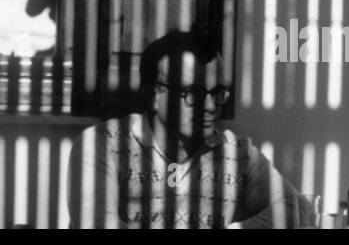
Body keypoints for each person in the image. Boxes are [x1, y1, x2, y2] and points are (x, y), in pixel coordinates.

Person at [67, 29, 310, 228]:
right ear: (153, 95)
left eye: (216, 93)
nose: (209, 106)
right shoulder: (101, 145)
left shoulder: (236, 153)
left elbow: (296, 207)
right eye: (192, 93)